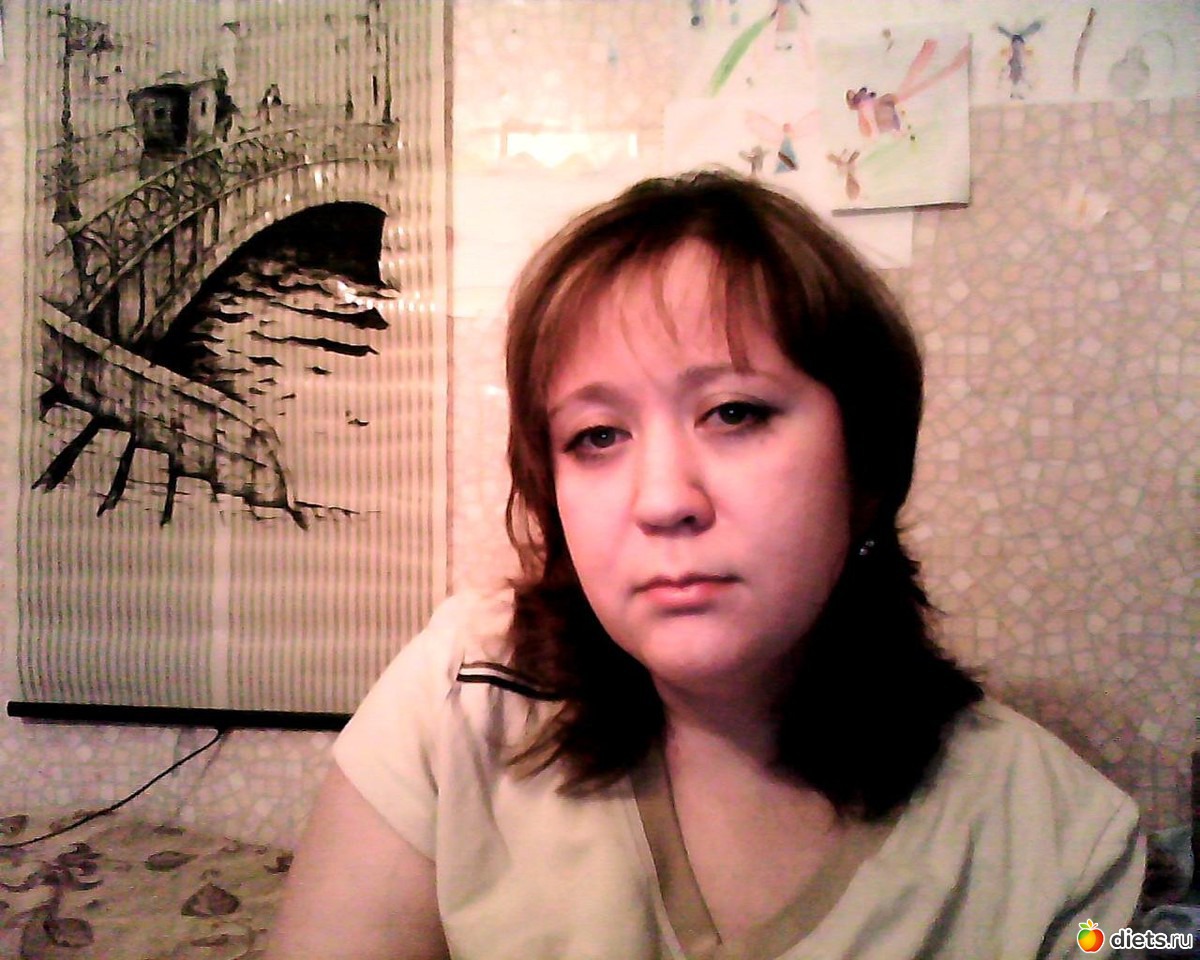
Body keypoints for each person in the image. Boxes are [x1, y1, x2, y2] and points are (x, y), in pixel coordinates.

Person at [266, 171, 1143, 959]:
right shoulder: (463, 696)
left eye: (734, 413)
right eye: (597, 435)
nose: (663, 500)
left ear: (867, 467)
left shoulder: (1061, 849)